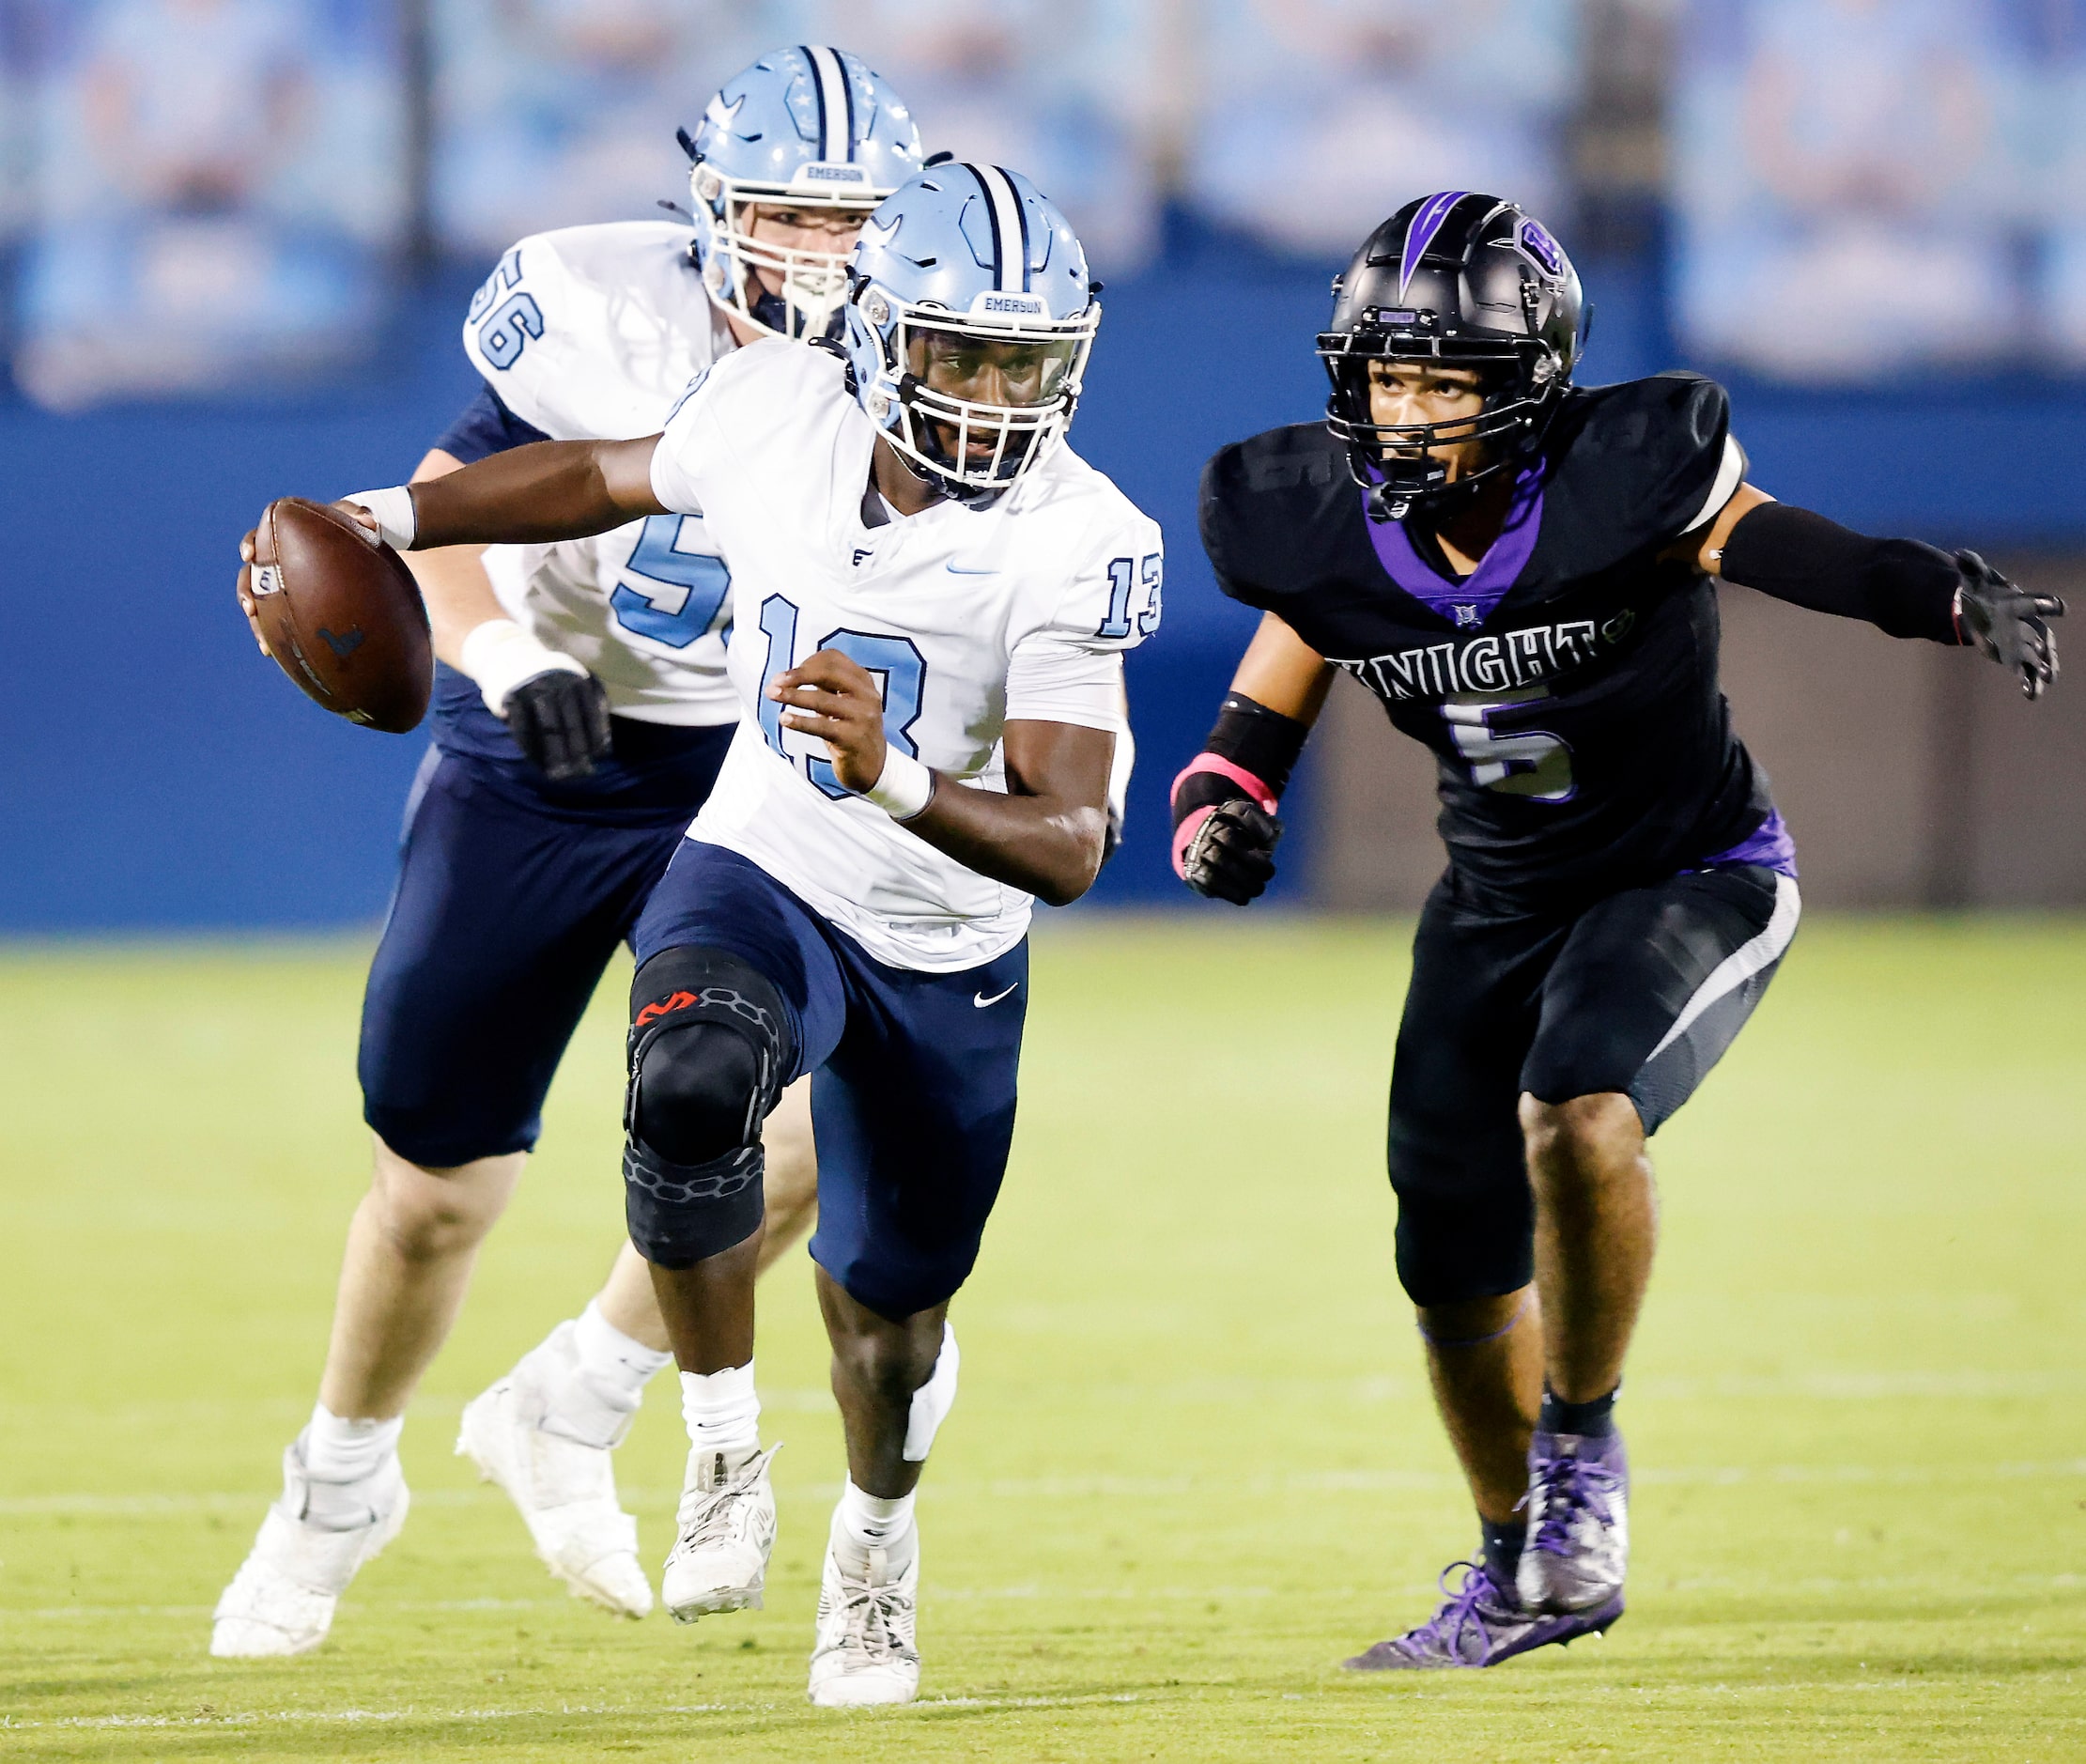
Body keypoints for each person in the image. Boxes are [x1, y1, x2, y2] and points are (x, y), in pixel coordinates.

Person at [267, 162, 1159, 1707]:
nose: (996, 396)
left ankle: (873, 1546)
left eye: (1025, 362)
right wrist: (391, 513)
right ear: (883, 335)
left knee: (890, 1326)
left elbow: (1072, 844)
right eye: (961, 353)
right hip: (757, 856)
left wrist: (899, 774)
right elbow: (597, 475)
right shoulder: (780, 409)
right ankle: (722, 1449)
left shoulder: (1080, 536)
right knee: (684, 1084)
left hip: (941, 932)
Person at [1176, 191, 2062, 1669]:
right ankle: (1529, 1569)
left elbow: (1783, 547)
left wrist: (1934, 596)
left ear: (1526, 386)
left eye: (1446, 379)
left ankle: (1579, 1456)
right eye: (1387, 375)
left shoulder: (1622, 478)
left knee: (1577, 1109)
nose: (1407, 411)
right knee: (1445, 1256)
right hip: (1494, 900)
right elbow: (1262, 703)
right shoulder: (1311, 526)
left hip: (1684, 871)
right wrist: (1222, 803)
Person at [211, 46, 924, 1658]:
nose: (816, 254)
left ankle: (577, 1387)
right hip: (545, 738)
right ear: (713, 209)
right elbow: (448, 494)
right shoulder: (596, 302)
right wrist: (500, 662)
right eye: (786, 218)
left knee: (817, 1110)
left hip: (748, 757)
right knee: (438, 1186)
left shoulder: (923, 353)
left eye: (844, 223)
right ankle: (337, 1482)